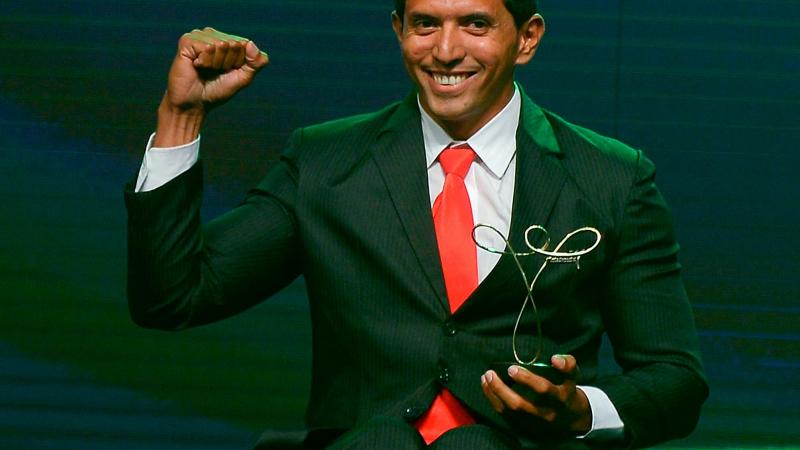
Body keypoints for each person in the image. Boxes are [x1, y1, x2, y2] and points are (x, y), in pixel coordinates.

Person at [124, 0, 709, 448]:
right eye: (426, 24)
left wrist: (581, 410)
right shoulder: (325, 164)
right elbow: (172, 296)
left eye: (476, 25)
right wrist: (183, 113)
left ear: (527, 38)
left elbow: (675, 380)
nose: (447, 50)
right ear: (399, 30)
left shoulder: (610, 178)